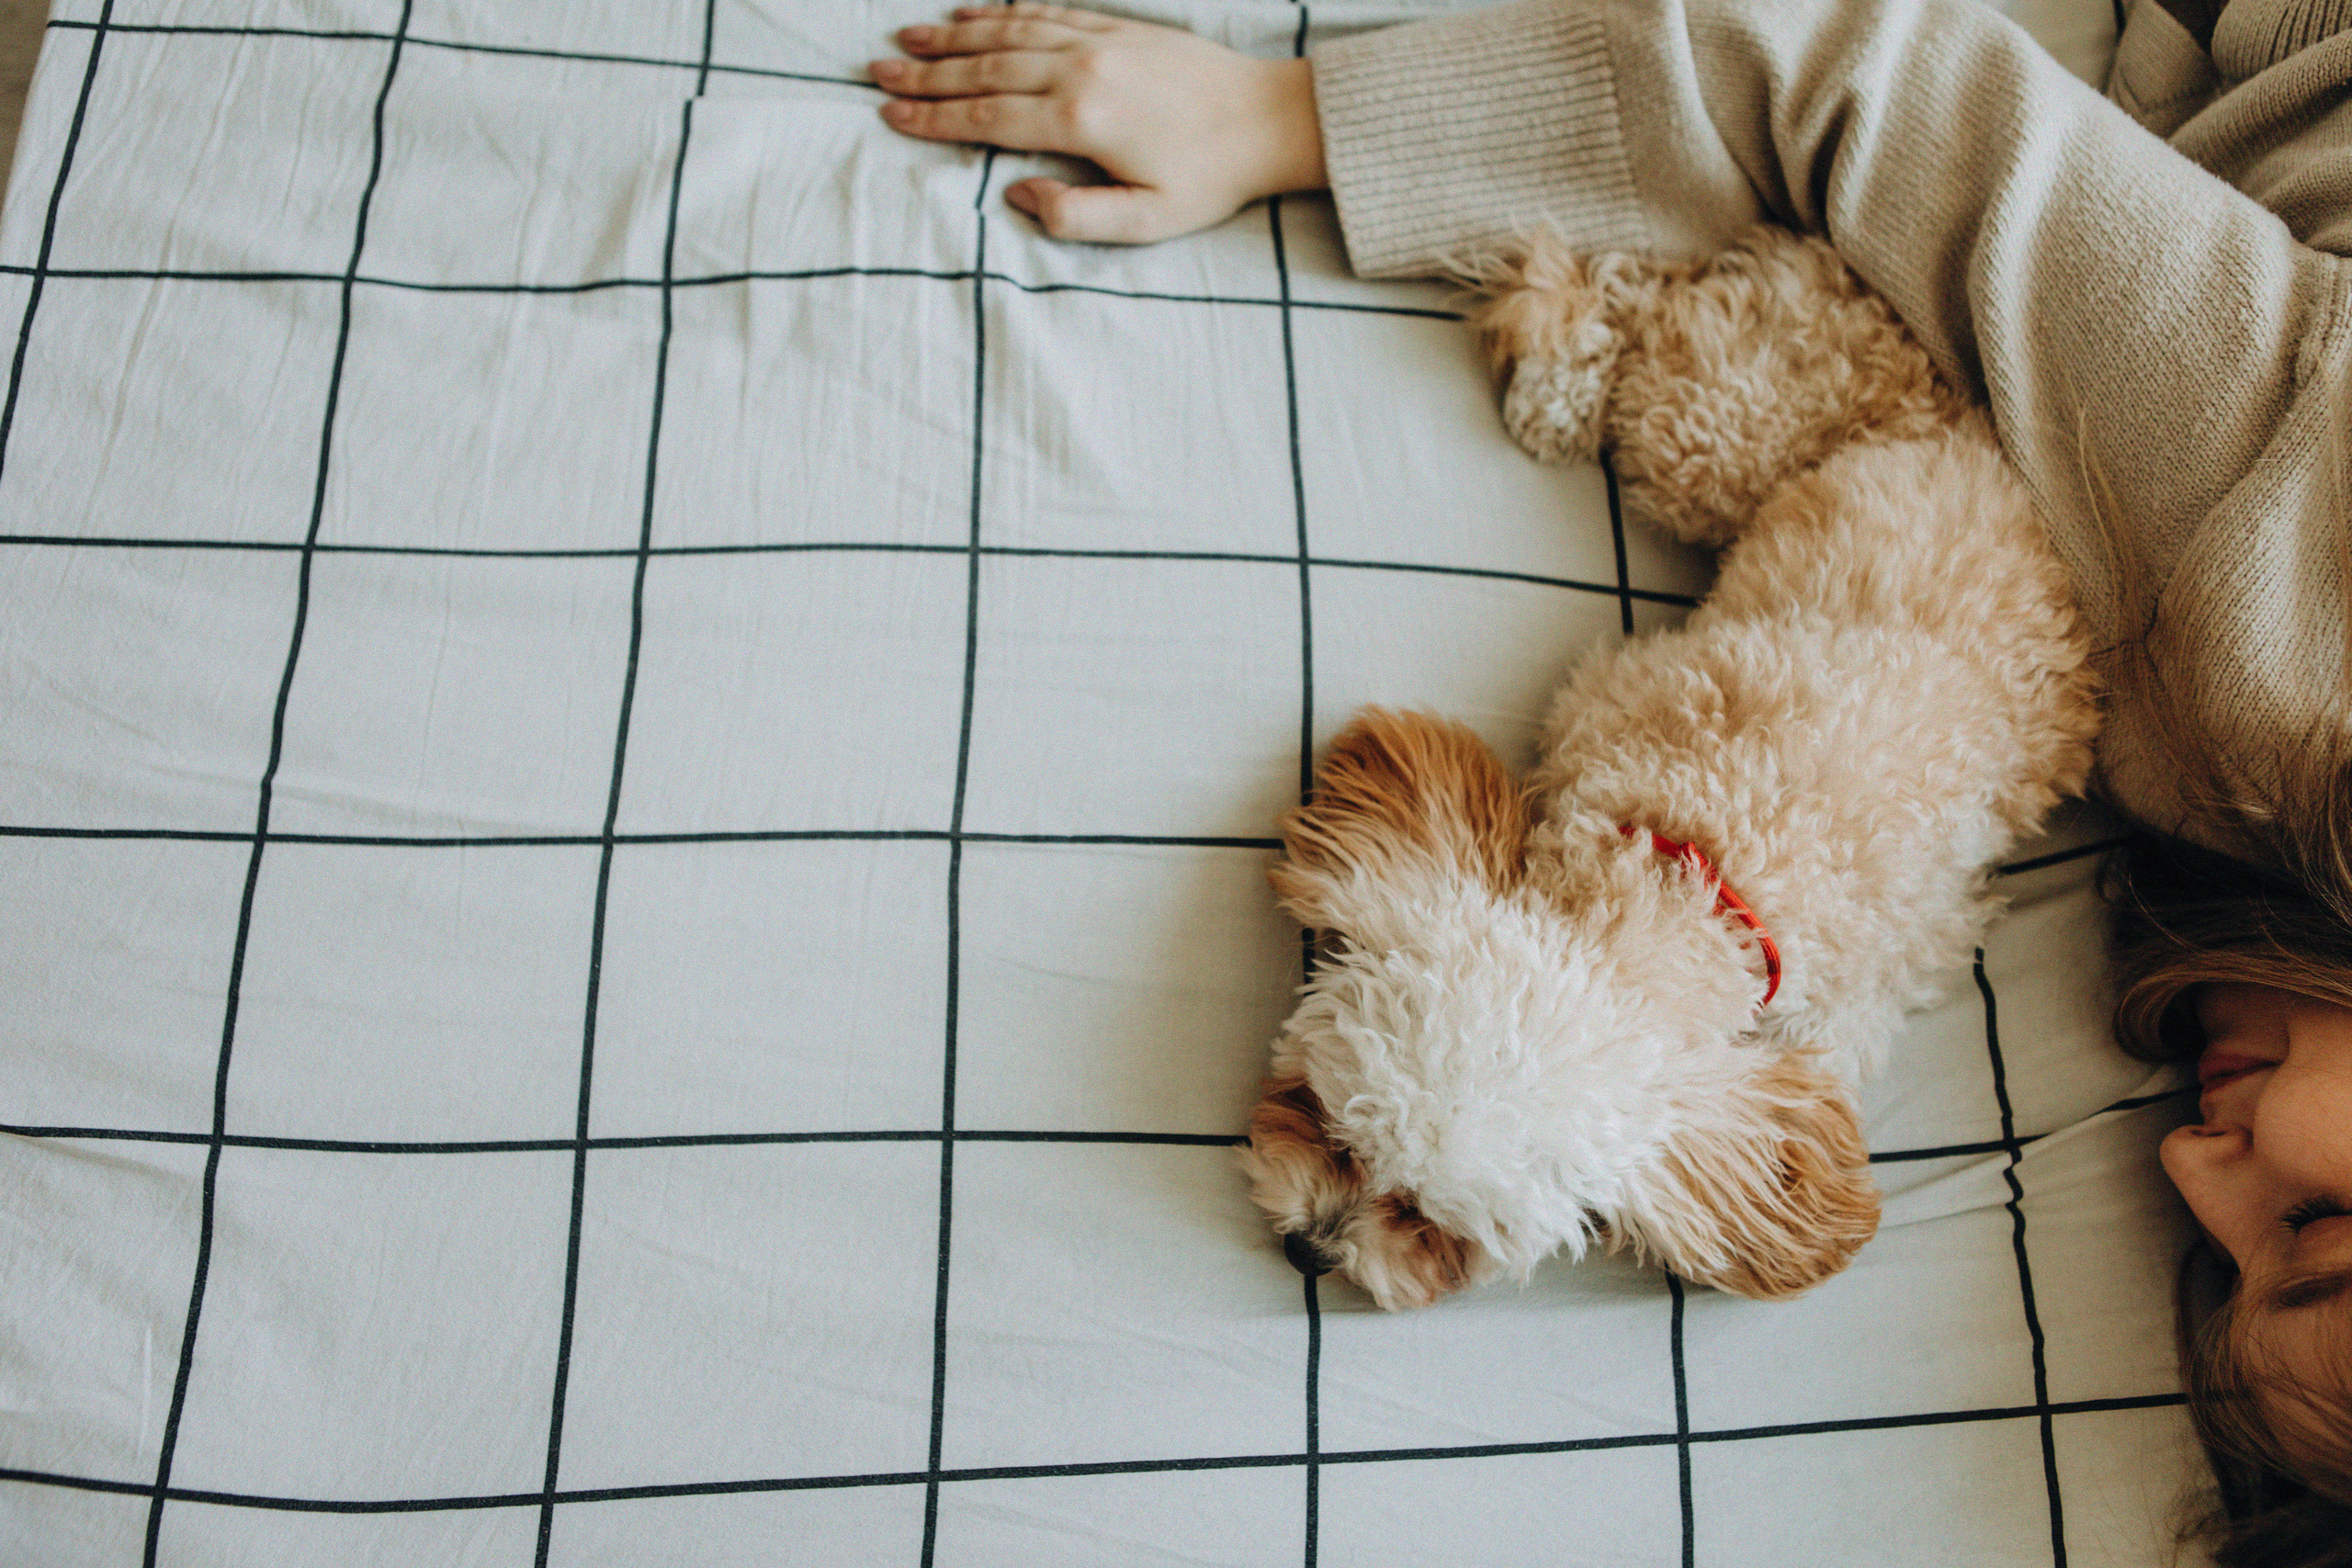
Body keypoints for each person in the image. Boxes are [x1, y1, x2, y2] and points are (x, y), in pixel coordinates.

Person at [870, 0, 2352, 1558]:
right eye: (2313, 1230)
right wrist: (1277, 121)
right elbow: (1871, 74)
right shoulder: (2305, 626)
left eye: (2227, 1271)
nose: (2190, 1173)